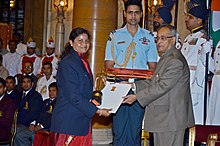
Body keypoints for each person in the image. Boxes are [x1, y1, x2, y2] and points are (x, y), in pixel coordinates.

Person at [123, 24, 195, 146]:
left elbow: (162, 86)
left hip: (170, 119)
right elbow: (154, 81)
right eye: (157, 39)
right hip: (164, 118)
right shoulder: (166, 58)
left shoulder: (174, 60)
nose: (158, 42)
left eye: (163, 38)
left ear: (172, 40)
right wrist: (131, 85)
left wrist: (137, 97)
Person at [104, 0, 158, 145]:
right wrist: (117, 79)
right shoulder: (114, 35)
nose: (133, 16)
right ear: (124, 14)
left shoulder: (149, 37)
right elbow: (108, 64)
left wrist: (144, 81)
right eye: (130, 12)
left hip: (139, 87)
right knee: (119, 129)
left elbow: (153, 65)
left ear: (141, 15)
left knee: (135, 129)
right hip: (119, 84)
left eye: (136, 13)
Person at [50, 27, 111, 146]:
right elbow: (73, 96)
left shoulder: (82, 62)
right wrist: (98, 111)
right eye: (80, 41)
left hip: (80, 121)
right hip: (68, 123)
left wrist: (96, 99)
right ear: (72, 43)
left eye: (87, 41)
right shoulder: (68, 63)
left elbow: (84, 91)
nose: (84, 44)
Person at [181, 1, 213, 125]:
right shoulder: (188, 38)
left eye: (190, 17)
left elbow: (207, 65)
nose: (186, 19)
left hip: (196, 81)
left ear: (199, 20)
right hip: (185, 79)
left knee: (196, 115)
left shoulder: (204, 38)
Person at [14, 75, 43, 146]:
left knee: (17, 135)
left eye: (28, 82)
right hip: (17, 123)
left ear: (32, 84)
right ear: (21, 84)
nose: (25, 84)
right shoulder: (19, 95)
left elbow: (35, 112)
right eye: (23, 82)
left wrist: (33, 123)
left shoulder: (36, 96)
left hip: (28, 124)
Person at [206, 41, 220, 125]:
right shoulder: (219, 43)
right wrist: (207, 54)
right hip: (216, 79)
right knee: (214, 110)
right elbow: (213, 67)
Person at [0, 77, 17, 142]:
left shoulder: (9, 102)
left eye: (0, 87)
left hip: (3, 131)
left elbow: (7, 122)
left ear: (4, 89)